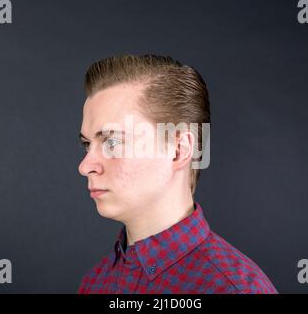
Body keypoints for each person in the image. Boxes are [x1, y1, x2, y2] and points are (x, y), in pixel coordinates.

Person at [77, 54, 277, 294]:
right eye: (87, 145)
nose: (85, 165)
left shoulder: (235, 290)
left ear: (178, 151)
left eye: (111, 142)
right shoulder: (95, 283)